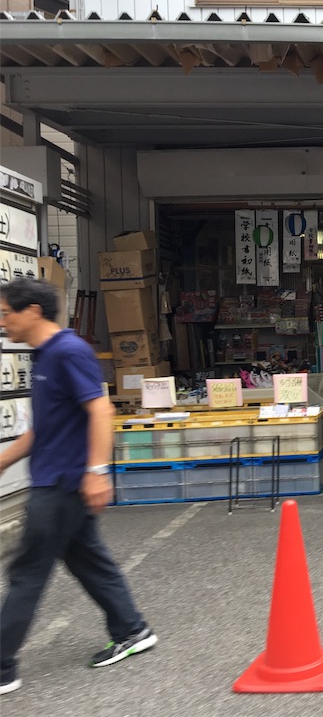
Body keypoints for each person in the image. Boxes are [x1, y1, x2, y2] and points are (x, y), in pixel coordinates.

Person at [0, 279, 157, 695]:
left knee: (27, 572)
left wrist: (96, 471)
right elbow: (44, 428)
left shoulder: (68, 351)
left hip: (63, 484)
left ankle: (1, 666)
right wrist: (3, 461)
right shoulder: (44, 355)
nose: (3, 322)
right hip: (59, 482)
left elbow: (101, 410)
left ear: (33, 311)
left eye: (6, 313)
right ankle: (132, 629)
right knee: (88, 561)